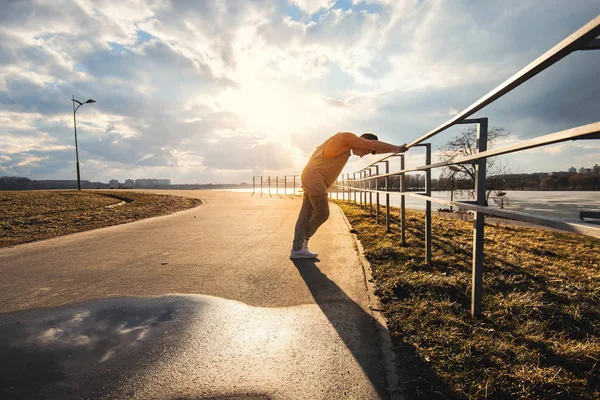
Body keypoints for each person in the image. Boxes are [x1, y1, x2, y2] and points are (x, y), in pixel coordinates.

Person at [290, 132, 407, 259]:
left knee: (306, 213)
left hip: (312, 177)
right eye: (365, 152)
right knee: (322, 214)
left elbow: (372, 146)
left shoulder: (346, 145)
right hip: (314, 178)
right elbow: (372, 144)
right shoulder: (346, 137)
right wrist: (398, 148)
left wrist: (388, 151)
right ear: (361, 142)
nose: (362, 156)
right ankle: (301, 243)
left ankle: (298, 248)